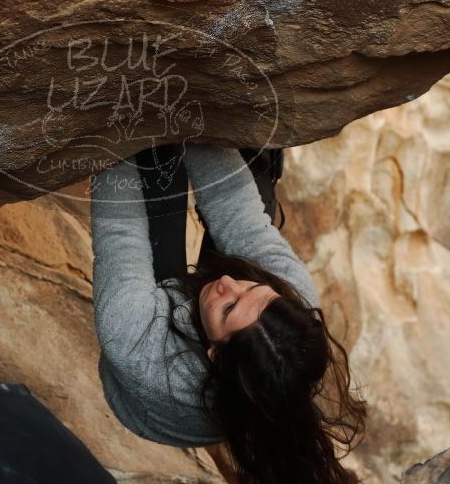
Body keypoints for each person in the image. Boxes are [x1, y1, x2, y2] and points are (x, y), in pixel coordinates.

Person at [90, 142, 366, 484]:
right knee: (252, 161)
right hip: (230, 362)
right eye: (252, 287)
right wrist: (195, 113)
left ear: (215, 355)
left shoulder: (134, 339)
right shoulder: (290, 301)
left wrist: (141, 125)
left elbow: (120, 229)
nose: (226, 281)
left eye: (229, 306)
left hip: (146, 387)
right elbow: (240, 216)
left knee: (157, 164)